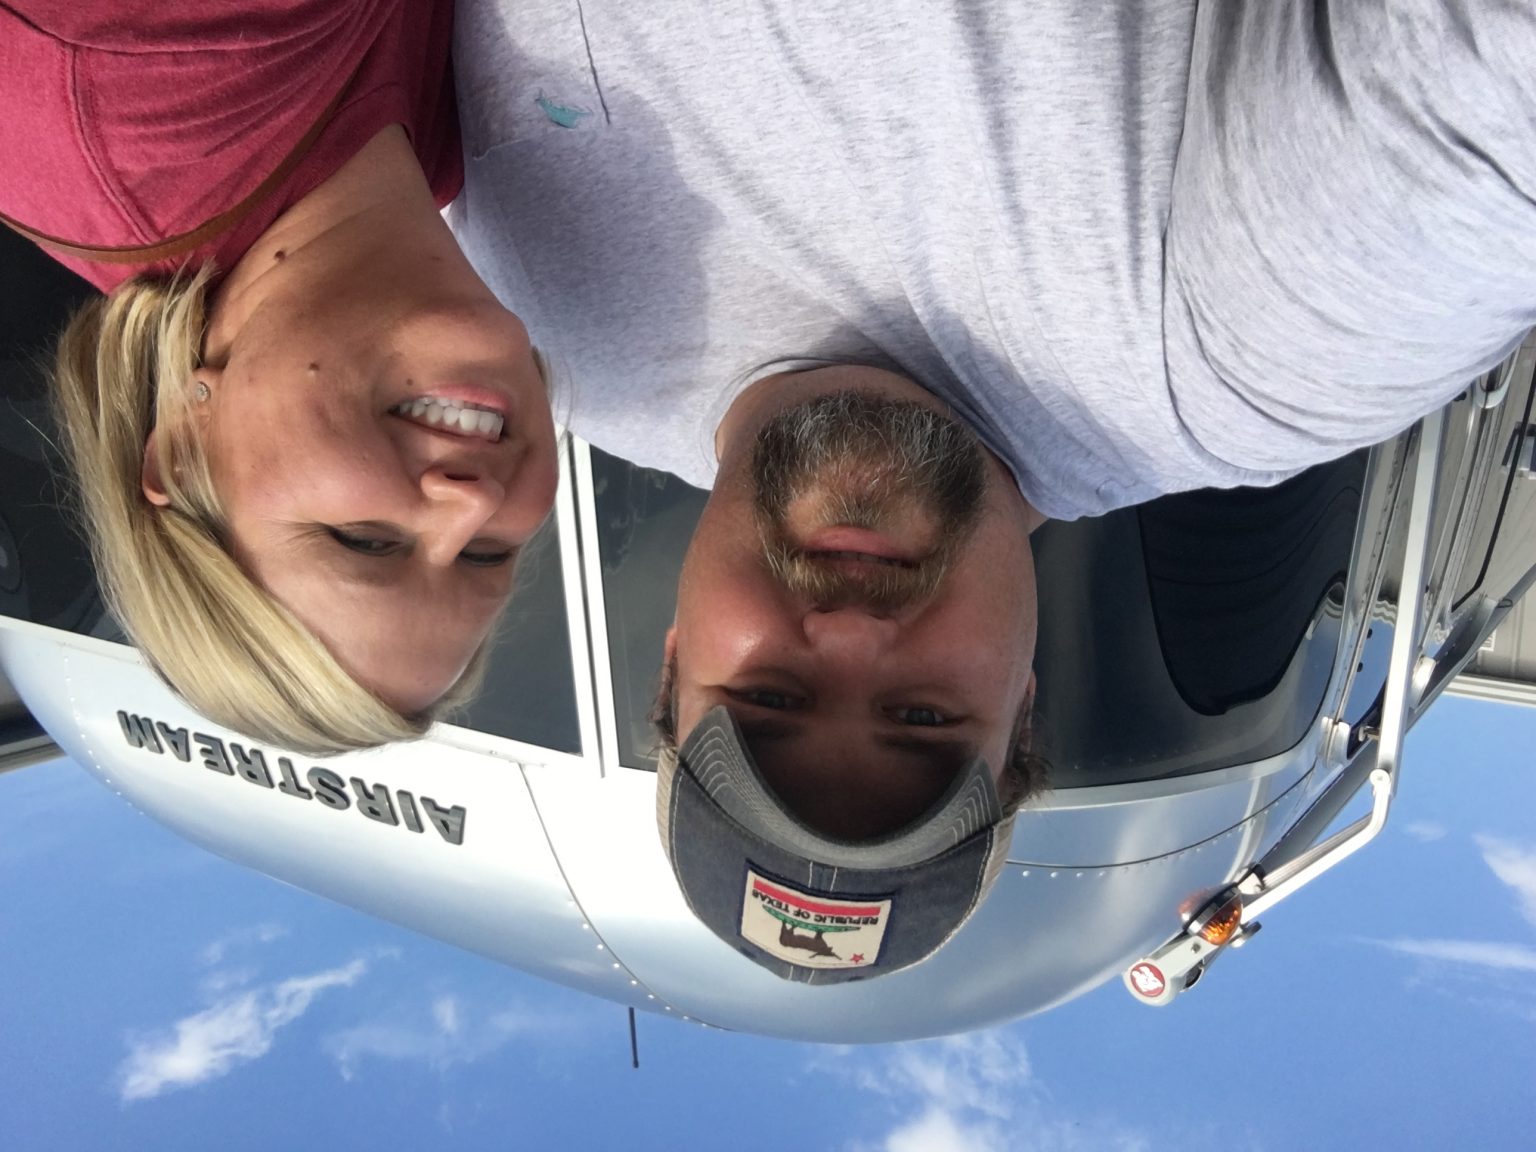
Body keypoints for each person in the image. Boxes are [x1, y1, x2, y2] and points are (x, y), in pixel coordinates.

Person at [450, 0, 1536, 978]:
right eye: (921, 714)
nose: (853, 634)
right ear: (1022, 706)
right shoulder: (1233, 361)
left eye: (771, 698)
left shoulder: (509, 324)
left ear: (675, 662)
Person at [0, 0, 559, 754]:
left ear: (185, 450)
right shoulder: (415, 163)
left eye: (363, 541)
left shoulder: (156, 81)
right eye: (487, 554)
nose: (474, 503)